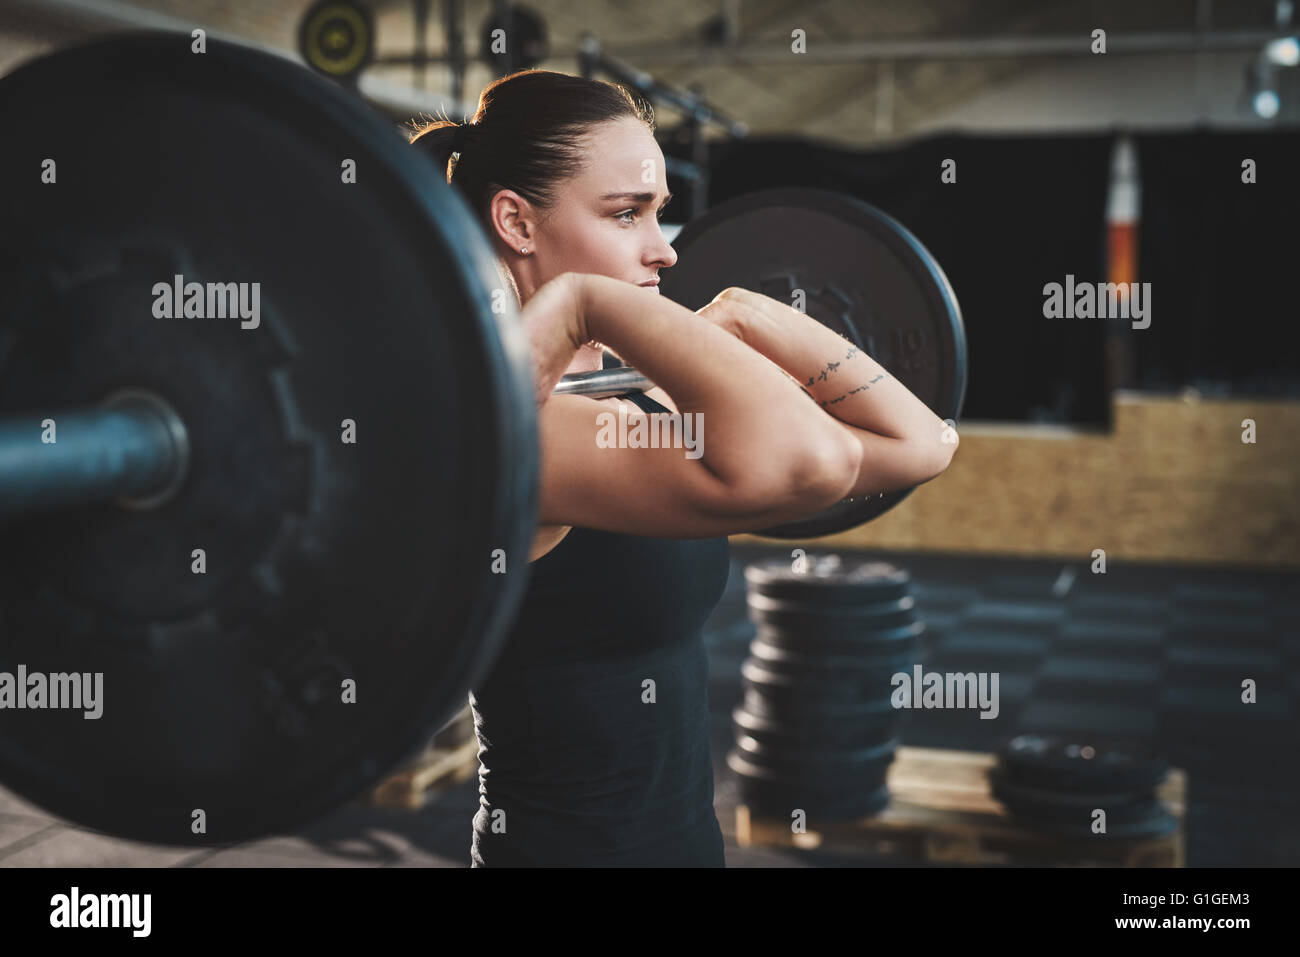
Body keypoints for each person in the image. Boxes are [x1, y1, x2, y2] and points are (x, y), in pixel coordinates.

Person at [409, 70, 957, 867]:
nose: (664, 248)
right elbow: (815, 457)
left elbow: (923, 442)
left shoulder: (632, 400)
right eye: (626, 214)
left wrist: (746, 311)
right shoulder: (529, 435)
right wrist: (582, 306)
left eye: (660, 212)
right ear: (515, 222)